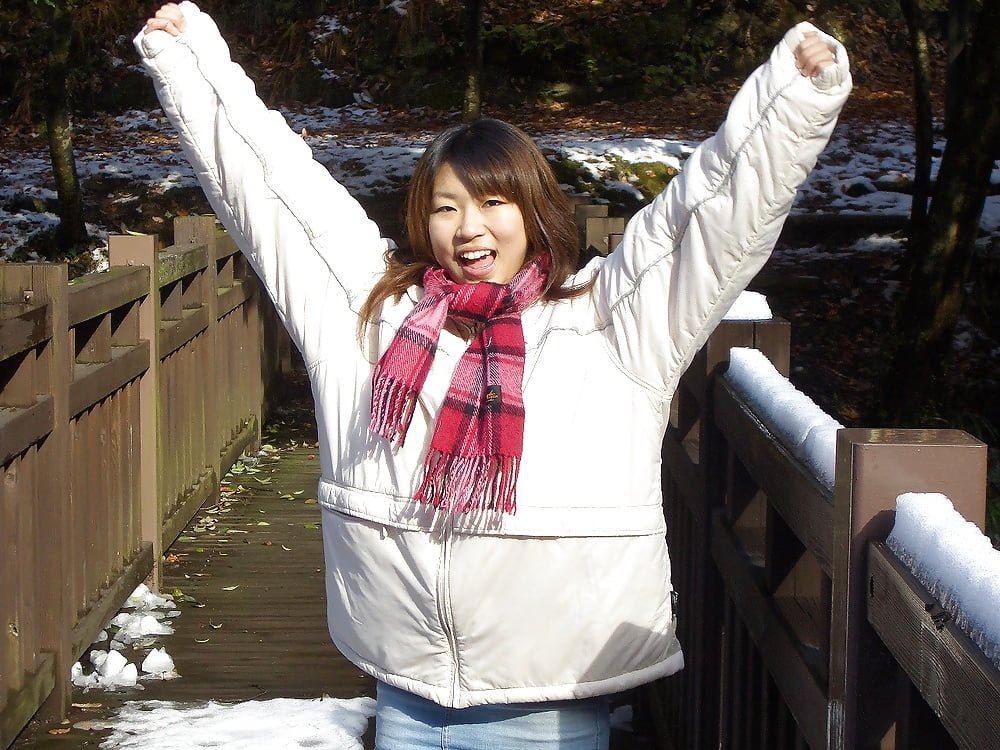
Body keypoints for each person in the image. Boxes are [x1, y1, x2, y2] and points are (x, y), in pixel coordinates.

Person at [137, 4, 850, 747]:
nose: (469, 228)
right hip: (409, 698)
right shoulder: (373, 316)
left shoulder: (611, 322)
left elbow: (704, 221)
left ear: (532, 210)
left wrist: (789, 101)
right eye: (446, 207)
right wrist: (190, 62)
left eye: (492, 203)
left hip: (550, 707)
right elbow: (278, 198)